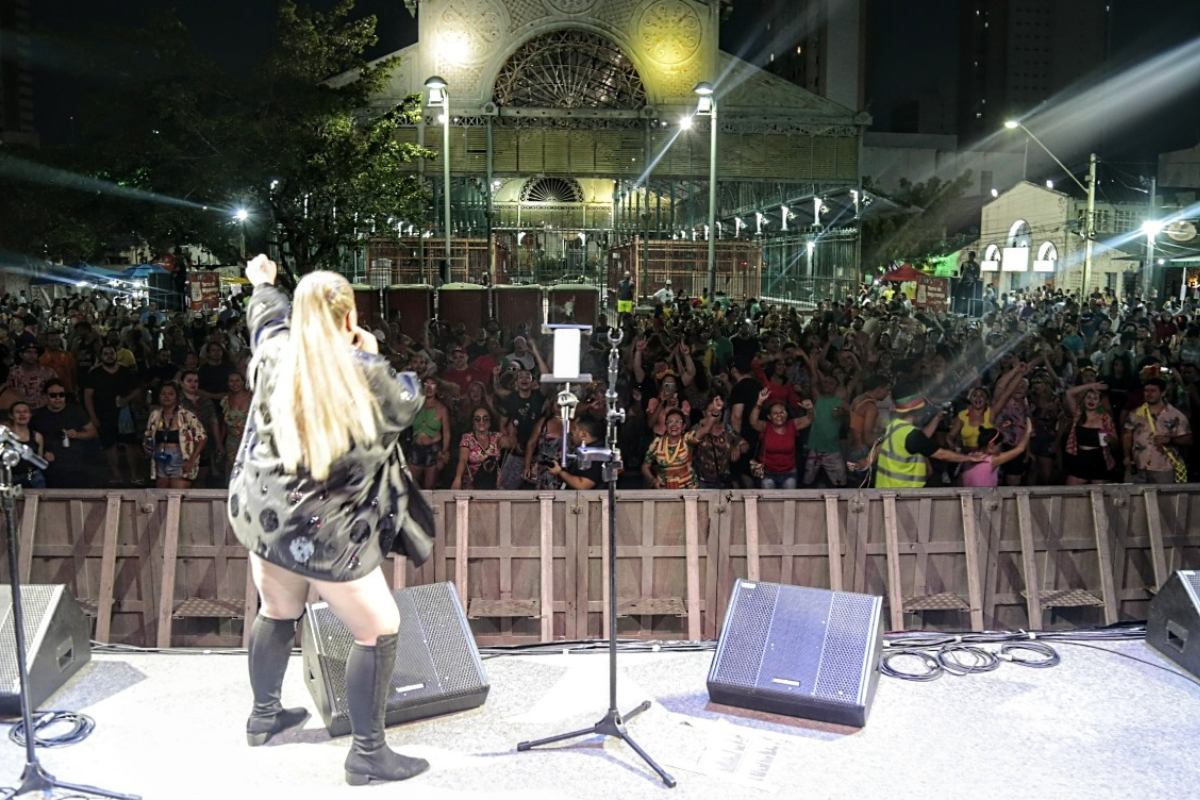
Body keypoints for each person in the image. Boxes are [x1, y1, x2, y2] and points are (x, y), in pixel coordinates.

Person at [229, 255, 433, 785]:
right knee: (379, 627)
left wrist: (264, 284)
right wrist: (374, 354)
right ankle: (368, 753)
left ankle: (264, 715)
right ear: (349, 319)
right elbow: (408, 402)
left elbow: (264, 317)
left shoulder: (274, 351)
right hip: (326, 532)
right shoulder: (365, 374)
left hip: (266, 517)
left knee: (277, 608)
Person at [862, 383, 984, 489]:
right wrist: (970, 458)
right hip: (904, 494)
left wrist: (937, 418)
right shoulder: (912, 435)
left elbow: (920, 440)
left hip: (888, 491)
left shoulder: (895, 426)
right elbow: (942, 454)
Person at [1122, 377, 1192, 484]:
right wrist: (1126, 455)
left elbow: (1188, 439)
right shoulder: (1135, 413)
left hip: (1163, 467)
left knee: (1164, 500)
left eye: (1153, 391)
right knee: (1134, 499)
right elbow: (1127, 435)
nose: (1149, 394)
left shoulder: (1176, 415)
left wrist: (1169, 440)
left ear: (1163, 393)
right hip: (1137, 466)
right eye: (1146, 391)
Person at [32, 378, 97, 489]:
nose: (58, 398)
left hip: (75, 465)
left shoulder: (76, 411)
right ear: (46, 396)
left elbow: (93, 432)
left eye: (61, 394)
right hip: (50, 467)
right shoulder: (38, 415)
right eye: (53, 395)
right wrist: (42, 455)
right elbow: (30, 440)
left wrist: (78, 434)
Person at [143, 382, 207, 489]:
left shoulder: (186, 415)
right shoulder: (155, 415)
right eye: (163, 394)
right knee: (161, 493)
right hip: (160, 456)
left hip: (180, 456)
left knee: (177, 494)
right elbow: (148, 434)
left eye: (171, 394)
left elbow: (202, 438)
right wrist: (146, 446)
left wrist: (191, 460)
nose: (166, 396)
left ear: (176, 397)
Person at [748, 390, 815, 489]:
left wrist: (810, 409)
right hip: (767, 474)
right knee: (769, 503)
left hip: (789, 474)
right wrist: (759, 402)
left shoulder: (792, 425)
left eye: (782, 412)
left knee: (789, 502)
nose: (779, 415)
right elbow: (753, 422)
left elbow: (810, 419)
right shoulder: (765, 426)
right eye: (775, 413)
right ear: (769, 417)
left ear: (787, 414)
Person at [5, 401, 46, 489]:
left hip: (33, 476)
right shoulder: (5, 436)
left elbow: (39, 459)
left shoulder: (37, 436)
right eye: (18, 412)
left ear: (30, 415)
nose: (22, 414)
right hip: (10, 477)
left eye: (25, 412)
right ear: (11, 416)